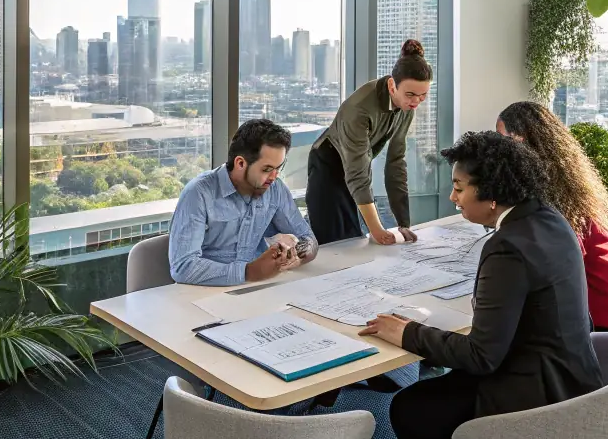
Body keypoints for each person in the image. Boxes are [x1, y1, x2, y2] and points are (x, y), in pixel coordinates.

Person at [362, 132, 602, 439]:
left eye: (459, 187)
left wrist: (408, 332)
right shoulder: (549, 218)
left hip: (536, 394)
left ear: (491, 197)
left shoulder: (506, 246)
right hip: (575, 381)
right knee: (436, 397)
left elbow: (482, 356)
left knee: (412, 411)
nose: (453, 196)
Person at [496, 102, 608, 334]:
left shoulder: (555, 199)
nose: (499, 150)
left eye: (504, 140)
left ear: (524, 141)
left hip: (603, 323)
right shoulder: (566, 185)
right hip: (607, 307)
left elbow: (554, 269)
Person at [306, 39, 432, 245]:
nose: (416, 101)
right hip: (329, 165)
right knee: (339, 243)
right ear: (392, 85)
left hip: (356, 165)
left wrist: (403, 223)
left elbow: (396, 163)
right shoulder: (359, 108)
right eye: (410, 94)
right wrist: (377, 231)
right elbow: (357, 173)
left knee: (356, 240)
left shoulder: (408, 106)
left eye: (423, 95)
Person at [168, 118, 317, 286]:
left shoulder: (275, 189)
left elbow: (308, 239)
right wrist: (250, 271)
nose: (274, 177)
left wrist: (296, 256)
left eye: (278, 168)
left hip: (257, 288)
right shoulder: (199, 193)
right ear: (240, 163)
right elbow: (183, 267)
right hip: (204, 292)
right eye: (267, 169)